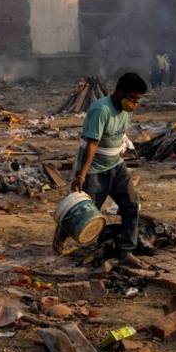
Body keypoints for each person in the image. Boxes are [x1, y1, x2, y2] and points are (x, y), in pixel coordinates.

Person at [71, 72, 149, 267]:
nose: (134, 104)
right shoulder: (101, 110)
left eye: (138, 100)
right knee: (88, 212)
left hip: (115, 164)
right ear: (120, 91)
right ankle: (63, 235)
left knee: (131, 205)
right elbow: (92, 144)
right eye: (132, 98)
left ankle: (125, 252)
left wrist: (121, 157)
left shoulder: (127, 109)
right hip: (95, 169)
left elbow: (120, 135)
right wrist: (82, 174)